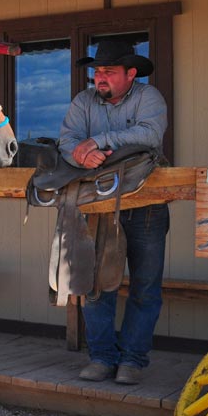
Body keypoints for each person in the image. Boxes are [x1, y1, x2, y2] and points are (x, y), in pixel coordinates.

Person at [59, 40, 169, 385]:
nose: (99, 78)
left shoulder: (148, 97)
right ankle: (103, 357)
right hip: (100, 204)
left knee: (145, 286)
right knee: (96, 285)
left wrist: (98, 141)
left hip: (146, 204)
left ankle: (132, 360)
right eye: (97, 71)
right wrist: (80, 154)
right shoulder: (83, 101)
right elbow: (66, 140)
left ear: (130, 73)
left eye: (108, 72)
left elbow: (150, 135)